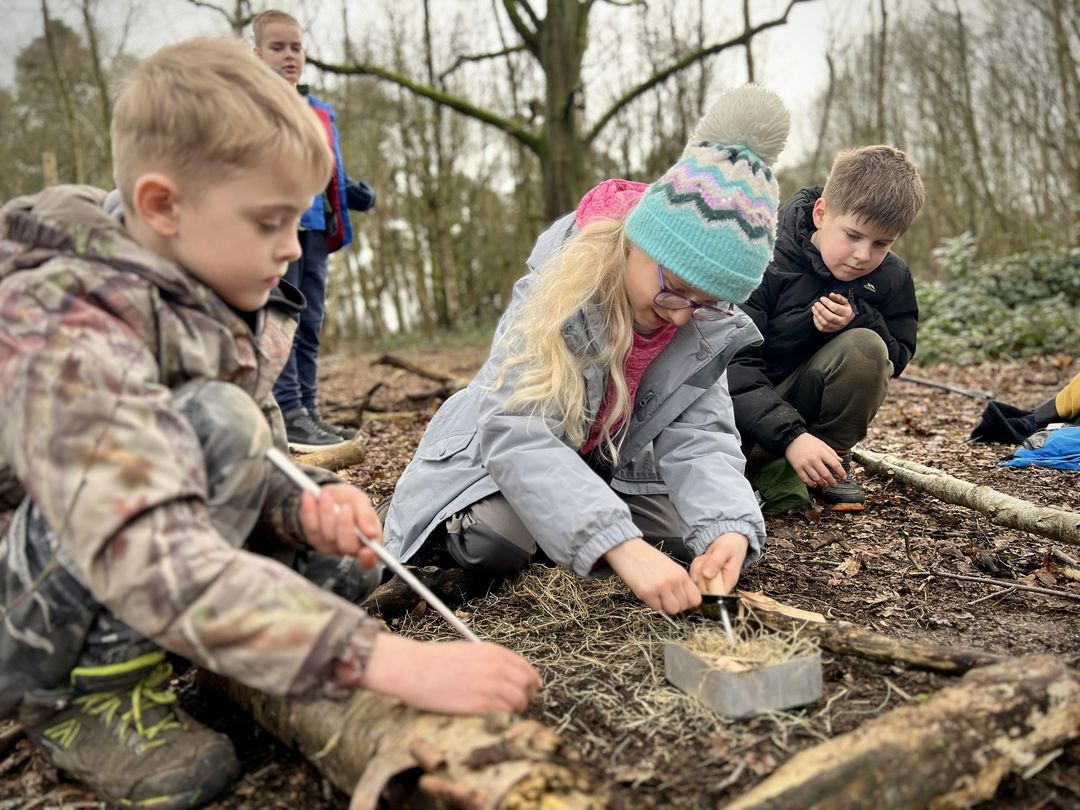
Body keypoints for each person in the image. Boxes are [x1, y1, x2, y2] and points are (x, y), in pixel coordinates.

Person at [0, 38, 539, 810]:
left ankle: (232, 646)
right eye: (270, 221)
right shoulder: (64, 321)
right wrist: (377, 661)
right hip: (29, 612)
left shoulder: (202, 287)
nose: (292, 248)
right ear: (162, 205)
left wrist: (305, 503)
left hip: (138, 572)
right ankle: (89, 695)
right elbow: (141, 543)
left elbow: (253, 453)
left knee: (343, 561)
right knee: (212, 420)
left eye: (300, 221)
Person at [382, 85, 789, 617]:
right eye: (674, 289)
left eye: (707, 303)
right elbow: (518, 431)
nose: (682, 314)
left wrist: (729, 528)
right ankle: (442, 514)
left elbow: (702, 437)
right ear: (639, 241)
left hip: (603, 465)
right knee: (494, 540)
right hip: (491, 457)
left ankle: (572, 526)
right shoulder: (564, 291)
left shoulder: (695, 319)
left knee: (690, 535)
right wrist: (621, 545)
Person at [728, 145, 925, 511]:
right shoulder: (761, 258)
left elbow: (895, 355)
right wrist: (791, 437)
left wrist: (858, 319)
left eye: (881, 243)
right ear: (821, 213)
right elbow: (731, 365)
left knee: (866, 347)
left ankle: (830, 462)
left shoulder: (891, 277)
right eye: (852, 236)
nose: (863, 255)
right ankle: (774, 461)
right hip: (734, 416)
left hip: (802, 404)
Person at [252, 9, 376, 451]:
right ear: (256, 53)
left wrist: (351, 192)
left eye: (296, 47)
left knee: (311, 322)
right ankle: (286, 410)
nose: (289, 56)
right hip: (279, 227)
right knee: (283, 317)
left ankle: (307, 409)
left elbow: (323, 169)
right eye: (277, 47)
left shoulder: (317, 109)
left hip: (318, 228)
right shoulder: (256, 106)